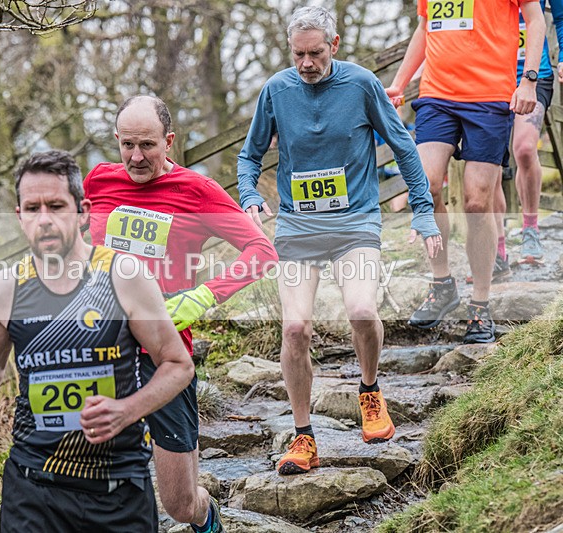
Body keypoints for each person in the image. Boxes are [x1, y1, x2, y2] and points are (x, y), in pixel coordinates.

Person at [0, 150, 194, 532]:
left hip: (118, 486)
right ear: (19, 217)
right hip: (33, 486)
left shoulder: (122, 275)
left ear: (83, 211)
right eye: (32, 208)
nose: (44, 219)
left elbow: (177, 364)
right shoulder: (2, 290)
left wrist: (127, 410)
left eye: (56, 206)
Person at [237, 6, 441, 476]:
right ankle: (304, 436)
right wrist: (249, 194)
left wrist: (424, 213)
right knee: (294, 329)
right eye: (298, 54)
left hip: (355, 224)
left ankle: (369, 391)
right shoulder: (276, 90)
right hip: (298, 228)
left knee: (362, 312)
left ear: (335, 44)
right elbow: (248, 158)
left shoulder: (362, 84)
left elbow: (405, 146)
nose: (306, 63)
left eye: (315, 53)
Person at [84, 95, 277, 532]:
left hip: (164, 357)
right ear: (115, 140)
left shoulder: (197, 191)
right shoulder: (97, 182)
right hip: (101, 353)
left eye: (148, 145)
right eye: (127, 144)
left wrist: (203, 297)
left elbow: (262, 251)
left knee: (179, 503)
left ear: (168, 141)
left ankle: (208, 519)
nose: (136, 157)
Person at [386, 0, 545, 343]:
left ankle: (480, 305)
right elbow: (424, 28)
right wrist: (400, 83)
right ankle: (442, 284)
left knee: (476, 203)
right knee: (424, 188)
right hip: (437, 96)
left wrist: (529, 80)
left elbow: (535, 21)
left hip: (490, 98)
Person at [493, 0, 563, 269]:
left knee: (523, 148)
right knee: (490, 164)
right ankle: (497, 246)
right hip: (492, 76)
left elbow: (560, 14)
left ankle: (530, 228)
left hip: (535, 74)